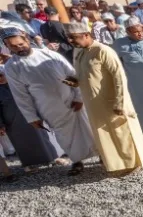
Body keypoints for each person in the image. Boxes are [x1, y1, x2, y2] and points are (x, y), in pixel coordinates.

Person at [2, 28, 94, 175]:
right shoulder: (11, 67)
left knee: (89, 128)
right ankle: (77, 161)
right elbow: (21, 95)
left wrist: (78, 97)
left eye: (20, 44)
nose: (18, 48)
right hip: (49, 106)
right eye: (13, 46)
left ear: (26, 39)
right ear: (7, 46)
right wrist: (32, 117)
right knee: (64, 135)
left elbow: (70, 75)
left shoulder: (48, 54)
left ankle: (102, 155)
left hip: (72, 100)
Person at [64, 22, 143, 174]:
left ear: (86, 35)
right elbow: (89, 75)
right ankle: (116, 164)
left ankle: (133, 163)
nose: (71, 41)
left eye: (73, 37)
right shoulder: (79, 52)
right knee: (105, 135)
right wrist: (76, 80)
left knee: (121, 132)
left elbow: (119, 77)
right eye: (68, 38)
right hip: (94, 104)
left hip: (112, 101)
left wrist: (120, 101)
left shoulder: (103, 50)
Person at [0, 64, 64, 172]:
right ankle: (29, 164)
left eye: (1, 75)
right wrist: (0, 125)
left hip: (31, 115)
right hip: (12, 121)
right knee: (22, 143)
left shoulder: (18, 83)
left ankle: (53, 158)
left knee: (43, 137)